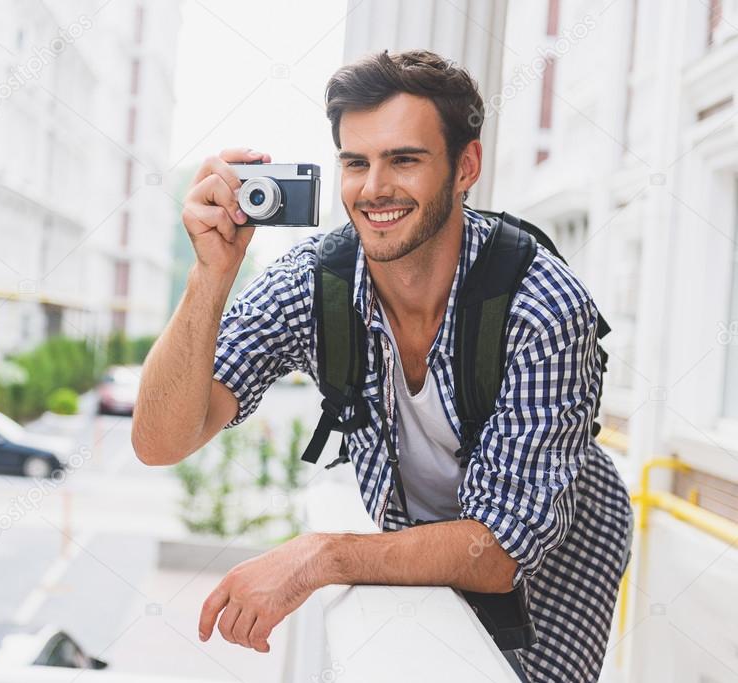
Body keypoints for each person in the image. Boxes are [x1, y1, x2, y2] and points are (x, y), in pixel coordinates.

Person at [131, 49, 632, 683]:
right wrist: (211, 276)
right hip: (416, 524)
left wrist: (318, 557)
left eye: (404, 159)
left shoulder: (543, 307)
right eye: (355, 162)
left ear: (464, 167)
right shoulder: (317, 280)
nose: (374, 189)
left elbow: (498, 549)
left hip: (559, 545)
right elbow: (160, 441)